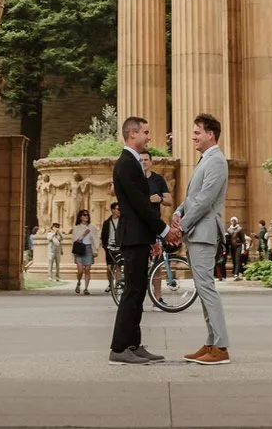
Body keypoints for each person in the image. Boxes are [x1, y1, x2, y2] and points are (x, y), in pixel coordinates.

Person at [167, 114, 230, 364]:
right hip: (197, 231)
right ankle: (211, 342)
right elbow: (195, 197)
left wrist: (181, 226)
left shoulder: (216, 161)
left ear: (210, 134)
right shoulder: (206, 160)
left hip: (203, 233)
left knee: (207, 289)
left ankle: (221, 347)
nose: (193, 136)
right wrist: (178, 211)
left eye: (197, 132)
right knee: (203, 290)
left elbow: (205, 200)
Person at [109, 116, 164, 364]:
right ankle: (119, 348)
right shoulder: (126, 164)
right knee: (132, 291)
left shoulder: (132, 162)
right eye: (146, 132)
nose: (148, 136)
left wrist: (152, 237)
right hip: (132, 237)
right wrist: (162, 230)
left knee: (138, 291)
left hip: (139, 236)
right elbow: (140, 205)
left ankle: (133, 343)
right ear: (132, 134)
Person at [71, 208, 98, 295]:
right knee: (80, 270)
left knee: (87, 269)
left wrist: (95, 250)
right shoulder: (76, 228)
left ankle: (86, 288)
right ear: (80, 217)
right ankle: (78, 282)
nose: (86, 216)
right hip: (79, 249)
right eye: (84, 215)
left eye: (87, 215)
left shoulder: (92, 227)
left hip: (89, 248)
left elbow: (96, 239)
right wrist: (83, 234)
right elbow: (75, 240)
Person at [101, 202, 124, 297]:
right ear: (113, 210)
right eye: (118, 209)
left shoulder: (123, 221)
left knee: (118, 266)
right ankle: (110, 283)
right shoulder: (107, 222)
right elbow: (104, 235)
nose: (119, 211)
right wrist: (105, 246)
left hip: (120, 247)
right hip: (110, 247)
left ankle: (117, 284)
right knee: (109, 267)